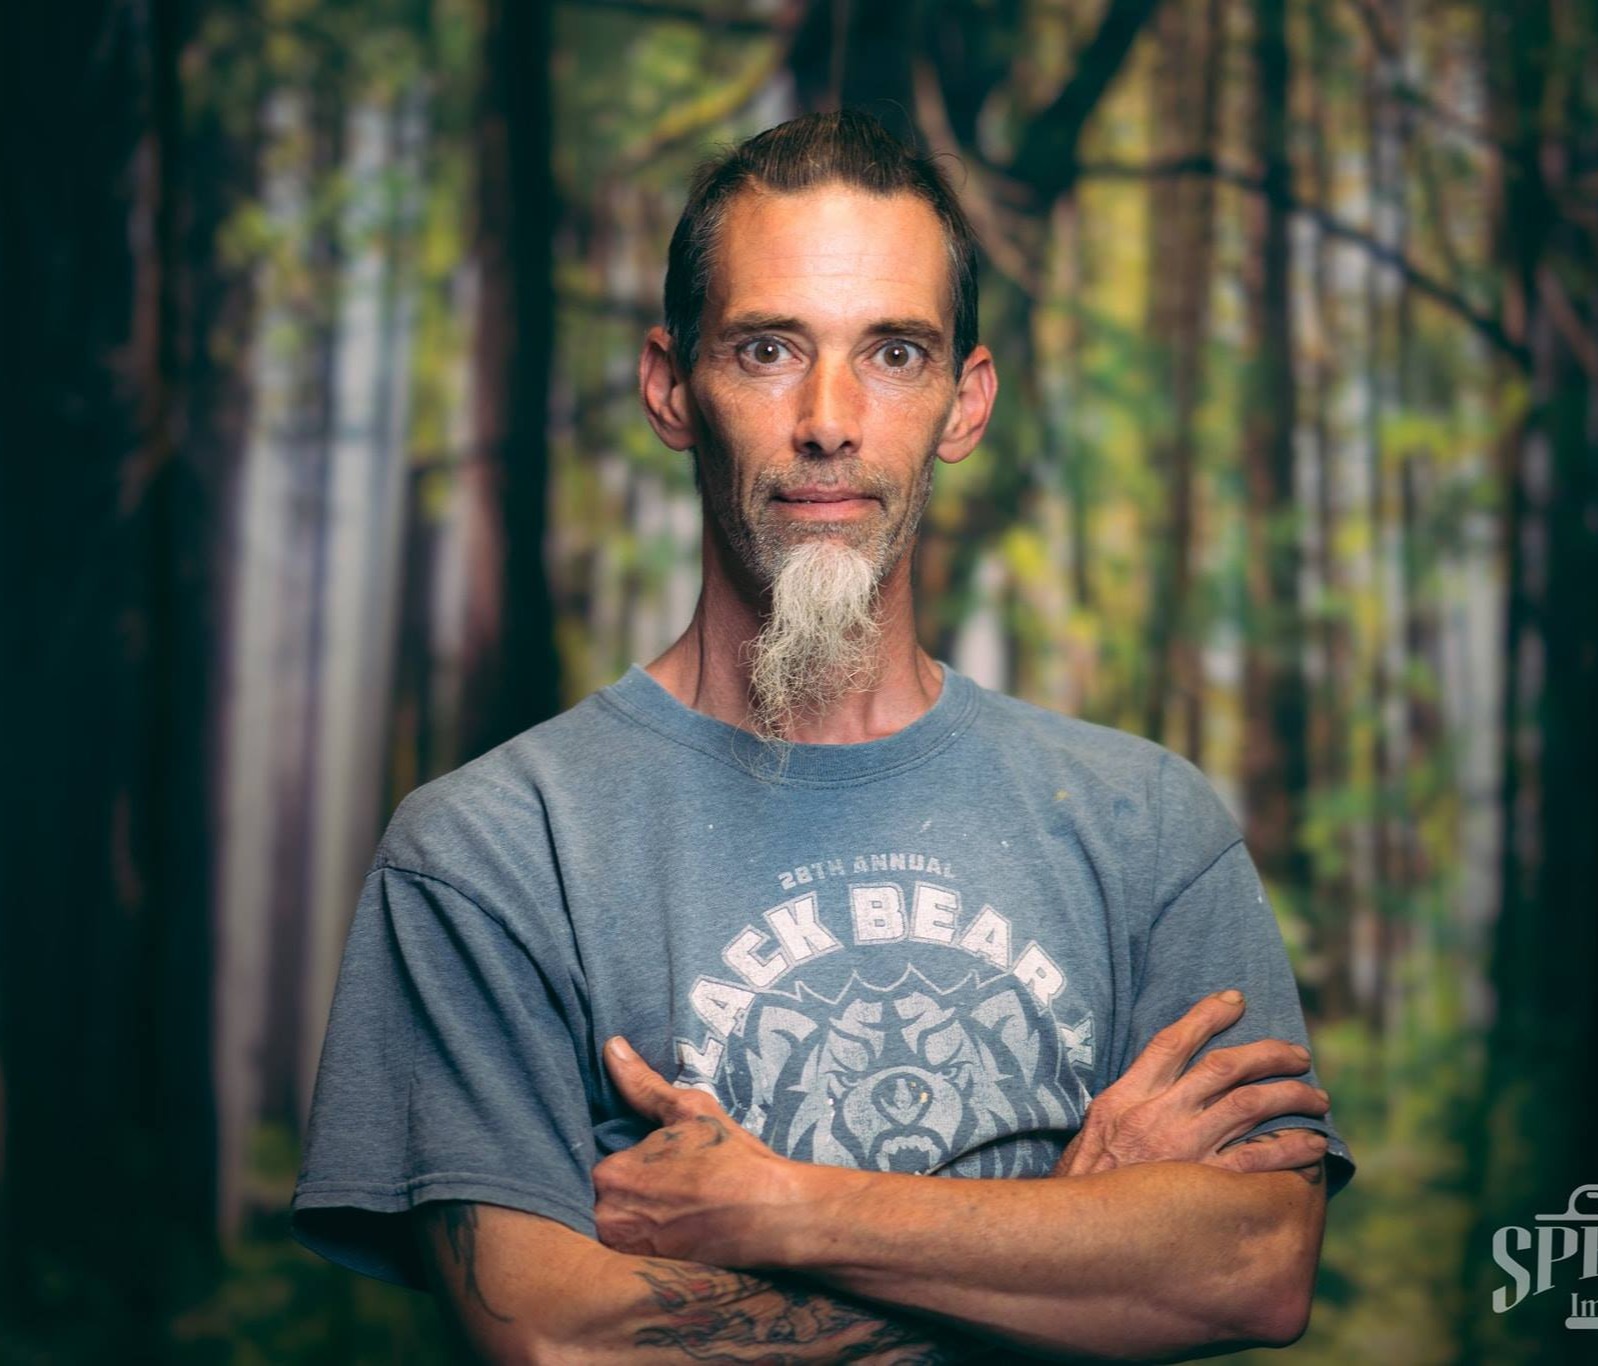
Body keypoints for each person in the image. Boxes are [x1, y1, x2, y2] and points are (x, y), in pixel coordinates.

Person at [292, 109, 1354, 1363]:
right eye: (766, 349)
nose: (830, 419)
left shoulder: (1146, 823)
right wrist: (1080, 1230)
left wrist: (775, 1207)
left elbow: (1252, 1268)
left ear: (965, 403)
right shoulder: (491, 850)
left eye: (894, 352)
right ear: (669, 387)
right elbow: (562, 1340)